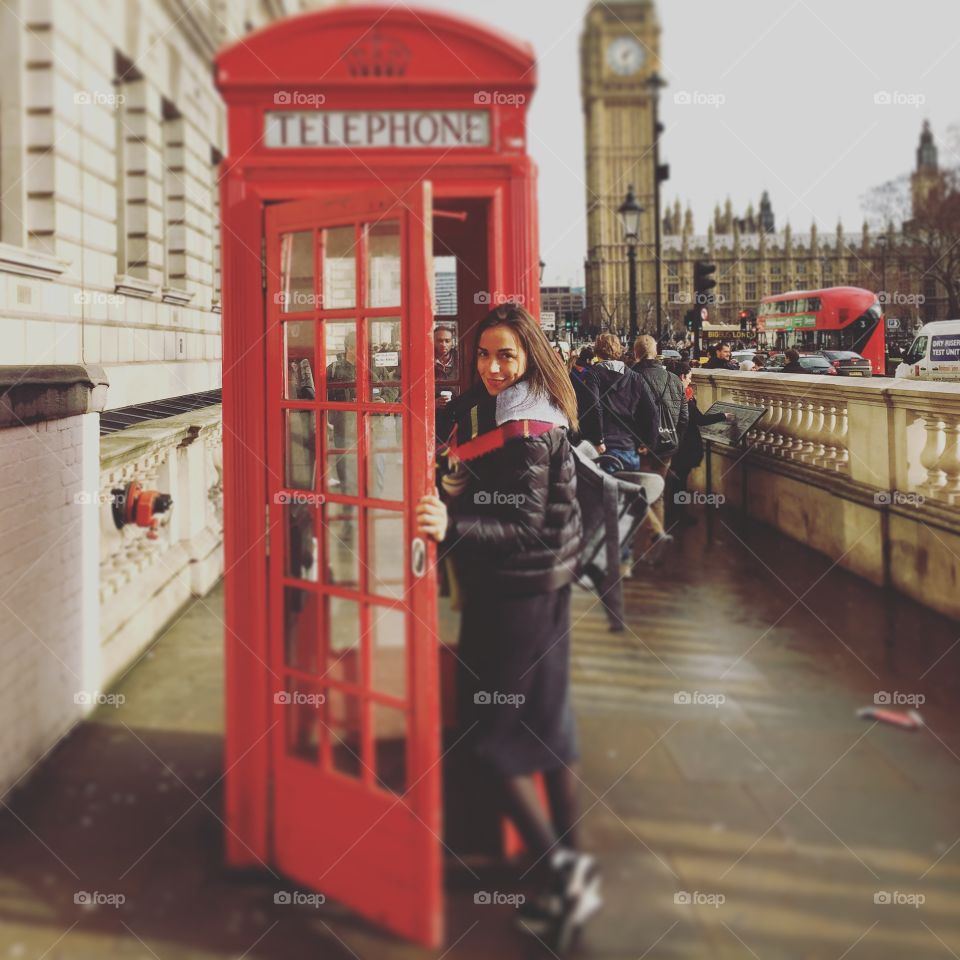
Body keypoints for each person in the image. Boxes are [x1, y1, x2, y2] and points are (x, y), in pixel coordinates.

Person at [416, 303, 601, 949]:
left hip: (516, 596)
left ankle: (559, 881)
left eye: (507, 357)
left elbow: (521, 525)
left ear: (528, 359)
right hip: (543, 589)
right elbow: (479, 453)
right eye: (485, 355)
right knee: (549, 733)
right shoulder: (524, 406)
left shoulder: (526, 425)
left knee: (491, 741)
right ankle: (574, 868)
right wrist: (458, 475)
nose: (493, 369)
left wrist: (450, 522)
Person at [631, 335, 688, 560]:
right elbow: (684, 417)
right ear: (656, 353)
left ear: (636, 353)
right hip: (667, 447)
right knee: (658, 496)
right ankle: (654, 550)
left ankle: (644, 545)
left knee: (638, 495)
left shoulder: (632, 377)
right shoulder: (674, 379)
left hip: (642, 446)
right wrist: (675, 442)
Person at [667, 362, 733, 525]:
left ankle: (672, 514)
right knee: (680, 481)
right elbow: (699, 419)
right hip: (685, 444)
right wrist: (723, 416)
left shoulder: (668, 391)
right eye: (689, 377)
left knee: (676, 479)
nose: (690, 381)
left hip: (672, 442)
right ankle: (679, 516)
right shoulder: (683, 396)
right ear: (682, 377)